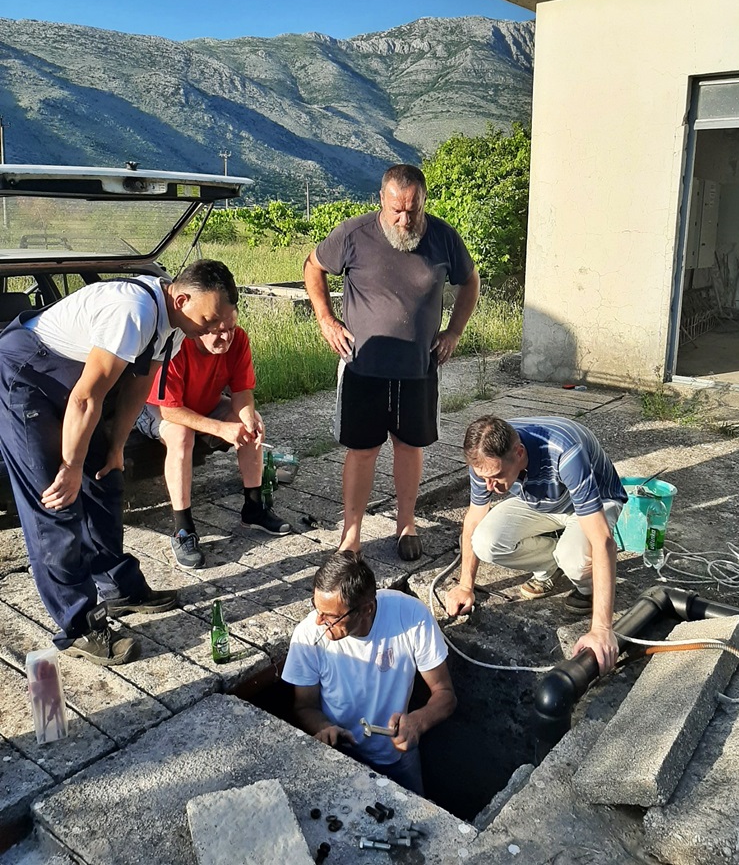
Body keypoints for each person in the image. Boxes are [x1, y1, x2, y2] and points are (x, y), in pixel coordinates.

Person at [0, 259, 239, 666]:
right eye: (210, 320)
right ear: (182, 299)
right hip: (24, 377)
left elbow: (138, 385)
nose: (215, 330)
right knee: (55, 502)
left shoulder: (173, 325)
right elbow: (86, 398)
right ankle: (79, 626)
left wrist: (116, 446)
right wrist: (70, 466)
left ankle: (118, 586)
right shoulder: (134, 310)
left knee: (105, 479)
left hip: (70, 386)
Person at [304, 164, 480, 560]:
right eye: (397, 210)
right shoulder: (353, 234)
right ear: (381, 200)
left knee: (409, 446)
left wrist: (454, 331)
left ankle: (406, 524)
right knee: (362, 450)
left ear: (424, 202)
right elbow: (312, 266)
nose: (404, 220)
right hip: (362, 366)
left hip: (418, 368)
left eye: (413, 211)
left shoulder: (444, 238)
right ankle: (351, 535)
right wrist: (325, 318)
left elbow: (471, 281)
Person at [445, 415, 627, 674]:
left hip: (595, 502)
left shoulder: (565, 452)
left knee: (574, 560)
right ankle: (551, 563)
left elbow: (602, 539)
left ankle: (587, 586)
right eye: (483, 478)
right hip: (542, 501)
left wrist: (601, 630)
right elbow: (474, 518)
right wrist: (465, 586)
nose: (489, 486)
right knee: (485, 541)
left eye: (496, 477)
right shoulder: (485, 457)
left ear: (519, 453)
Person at [282, 551, 456, 795]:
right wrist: (324, 727)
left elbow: (445, 694)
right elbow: (304, 706)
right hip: (341, 756)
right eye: (316, 608)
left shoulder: (410, 616)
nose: (319, 621)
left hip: (397, 756)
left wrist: (418, 722)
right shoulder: (308, 634)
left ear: (367, 609)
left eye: (331, 616)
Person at [135, 315, 292, 570]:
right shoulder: (176, 344)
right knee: (181, 435)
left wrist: (247, 420)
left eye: (231, 329)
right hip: (158, 408)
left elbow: (242, 392)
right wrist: (220, 428)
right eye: (219, 331)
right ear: (199, 329)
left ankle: (254, 508)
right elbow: (171, 410)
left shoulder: (238, 340)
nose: (227, 337)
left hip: (204, 402)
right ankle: (183, 530)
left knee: (252, 421)